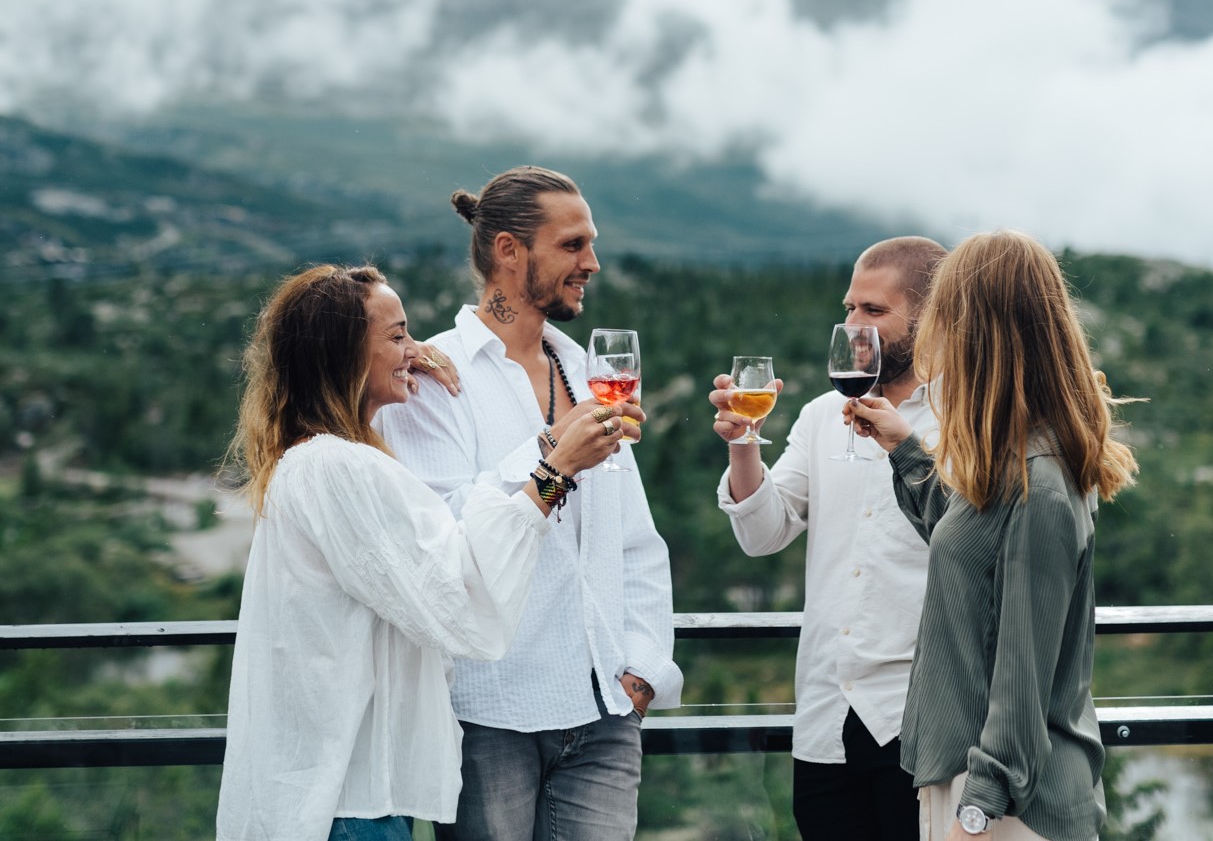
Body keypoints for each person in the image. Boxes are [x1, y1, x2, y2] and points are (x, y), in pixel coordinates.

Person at [215, 263, 623, 841]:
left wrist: (399, 360)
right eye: (398, 334)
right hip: (345, 802)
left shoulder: (317, 460)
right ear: (345, 354)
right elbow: (458, 594)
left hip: (345, 792)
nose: (419, 349)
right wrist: (556, 470)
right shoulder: (338, 468)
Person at [374, 166, 681, 841]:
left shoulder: (592, 377)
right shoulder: (431, 380)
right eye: (573, 245)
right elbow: (444, 538)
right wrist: (552, 449)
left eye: (591, 244)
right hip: (490, 716)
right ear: (509, 251)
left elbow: (635, 543)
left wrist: (643, 673)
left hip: (605, 712)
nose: (592, 263)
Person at [848, 231, 1138, 841]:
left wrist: (976, 813)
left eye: (944, 318)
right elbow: (968, 539)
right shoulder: (1011, 459)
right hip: (973, 784)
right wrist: (904, 449)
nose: (933, 338)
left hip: (1011, 808)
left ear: (978, 334)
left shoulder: (1040, 483)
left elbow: (1022, 678)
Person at [710, 236, 948, 841]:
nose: (854, 326)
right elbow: (763, 535)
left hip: (921, 716)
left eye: (874, 310)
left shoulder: (968, 418)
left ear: (931, 316)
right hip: (825, 715)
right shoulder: (821, 415)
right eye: (849, 308)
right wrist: (744, 444)